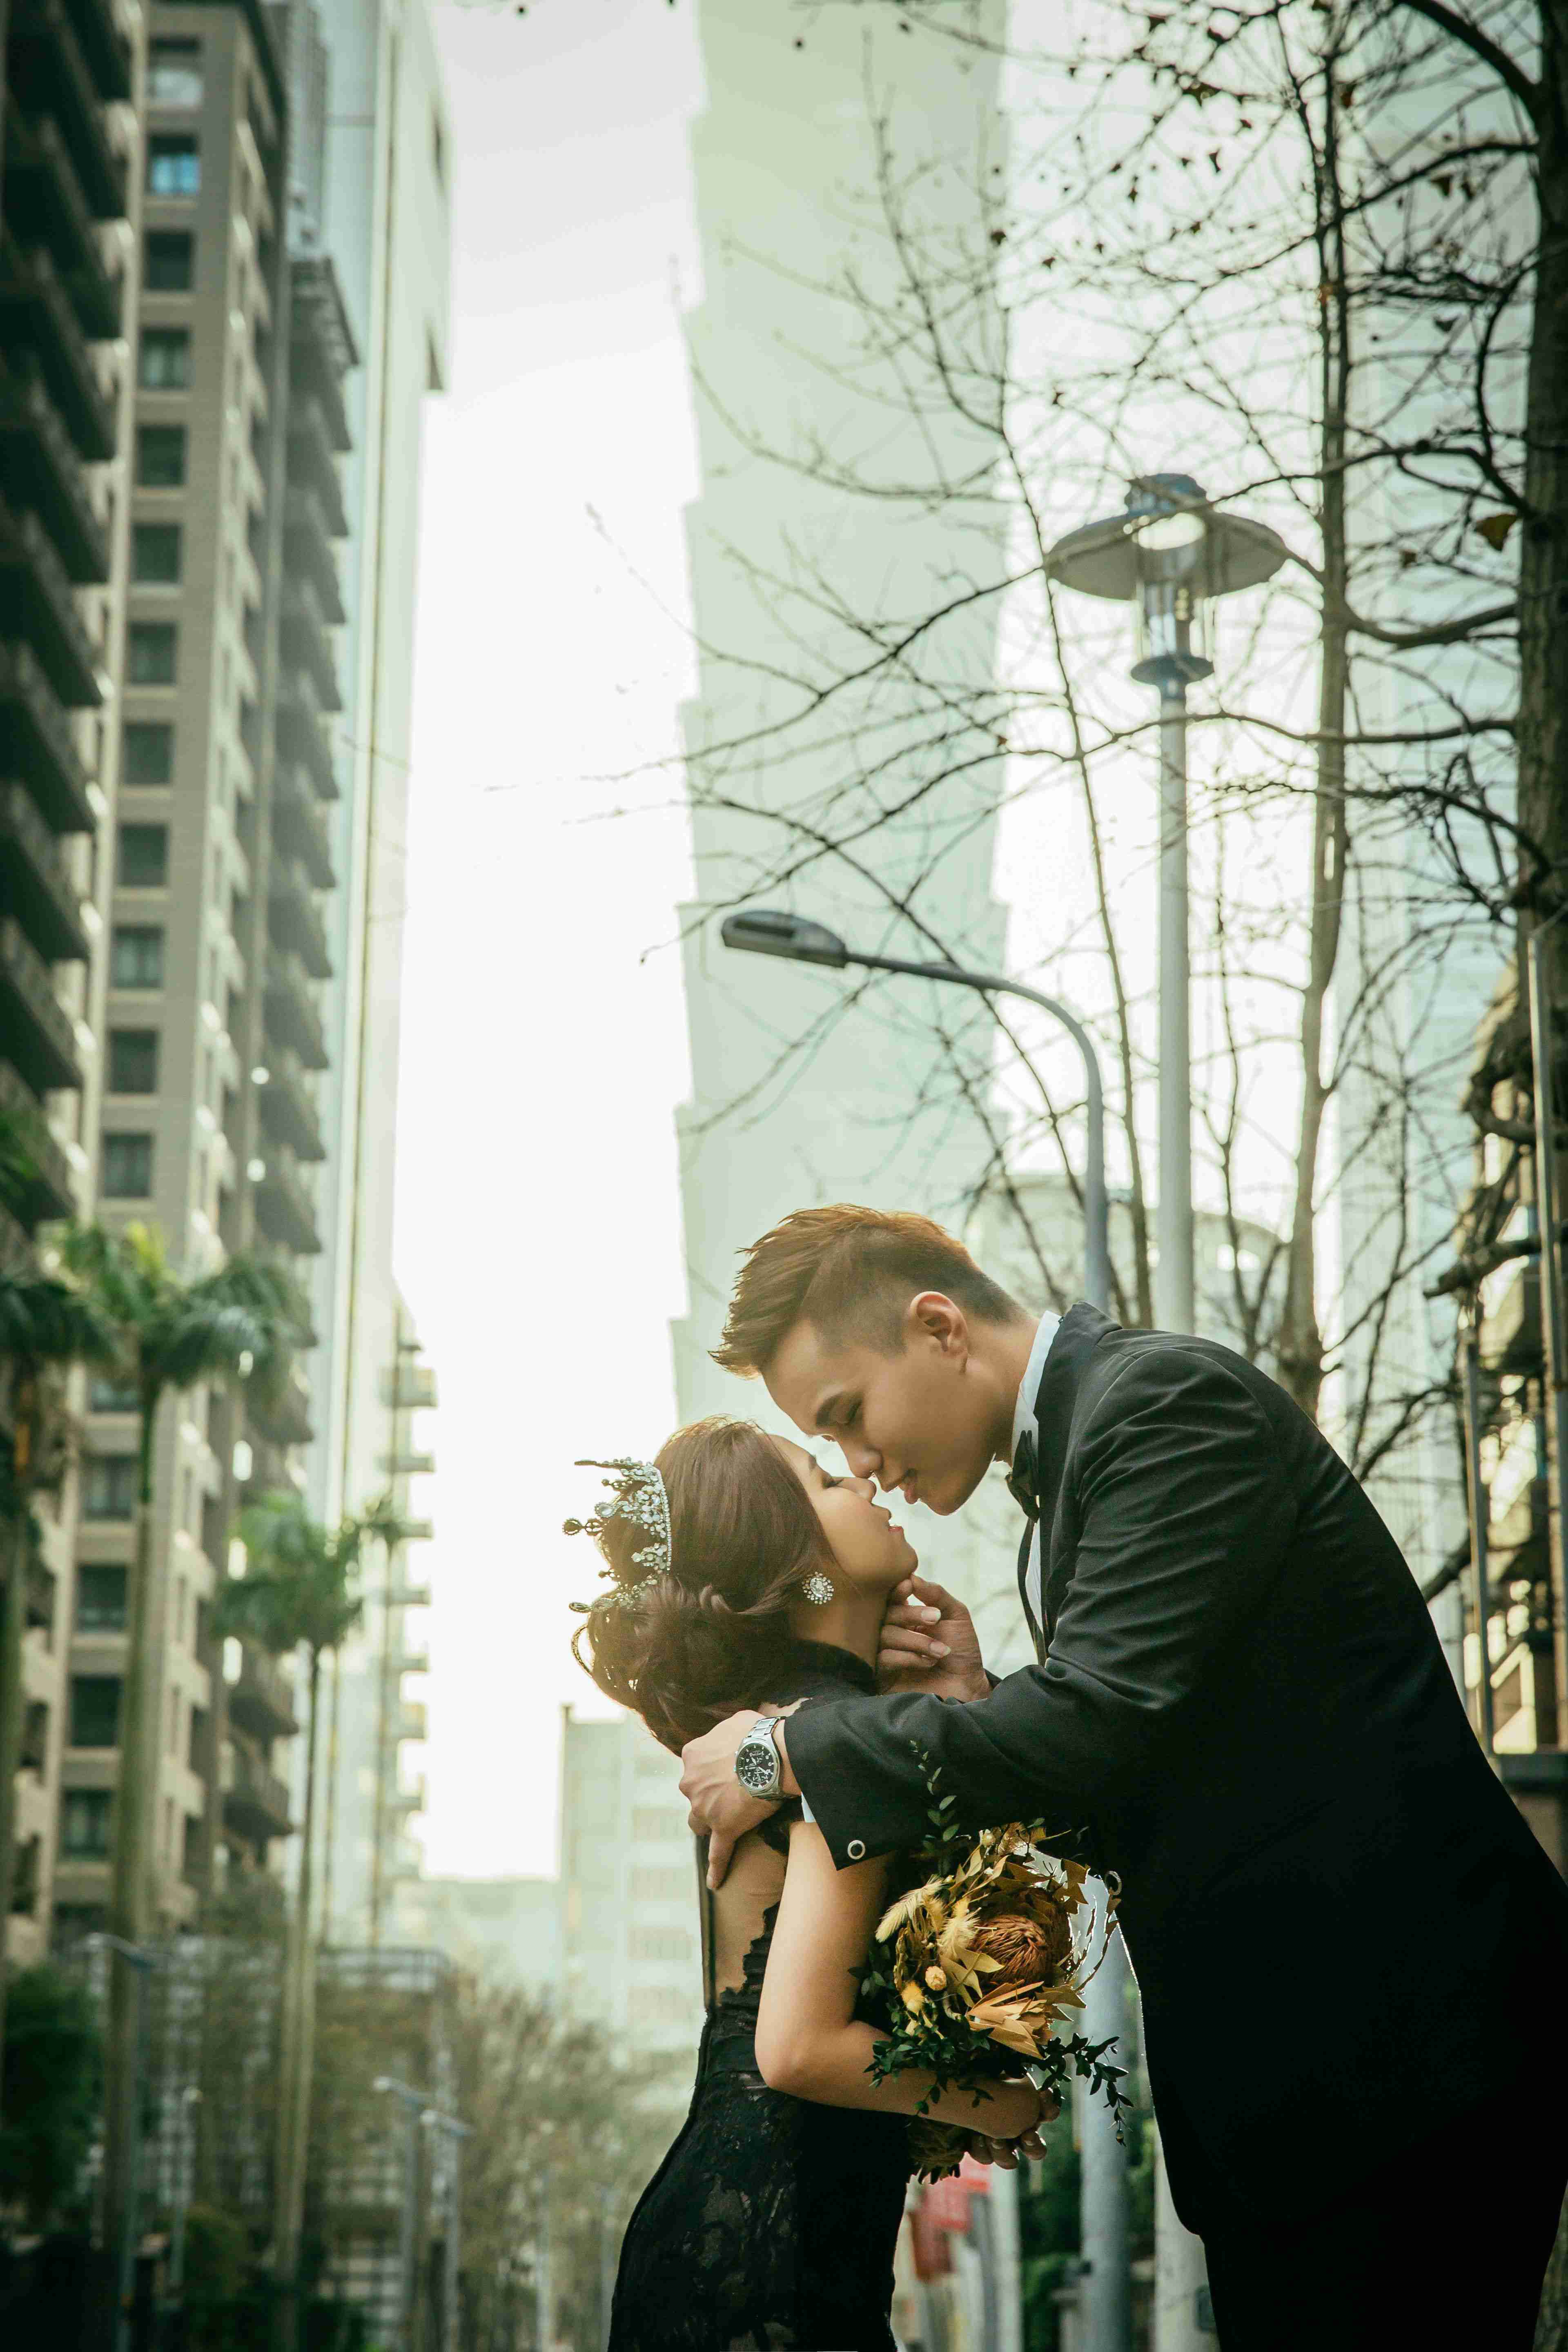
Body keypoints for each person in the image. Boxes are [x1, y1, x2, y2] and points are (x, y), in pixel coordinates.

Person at [678, 1204, 1568, 2350]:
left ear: (940, 1326)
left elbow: (1095, 1722)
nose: (862, 1464)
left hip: (1403, 2071)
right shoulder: (1082, 1461)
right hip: (1314, 2102)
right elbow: (1135, 1773)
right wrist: (978, 1701)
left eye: (848, 1416)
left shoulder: (1163, 1407)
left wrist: (787, 1751)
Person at [566, 1417, 1047, 2352]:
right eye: (828, 1482)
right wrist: (1002, 2100)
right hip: (768, 2258)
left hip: (761, 2234)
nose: (863, 1483)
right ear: (800, 1570)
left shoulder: (796, 1732)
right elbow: (798, 2047)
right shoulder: (819, 1741)